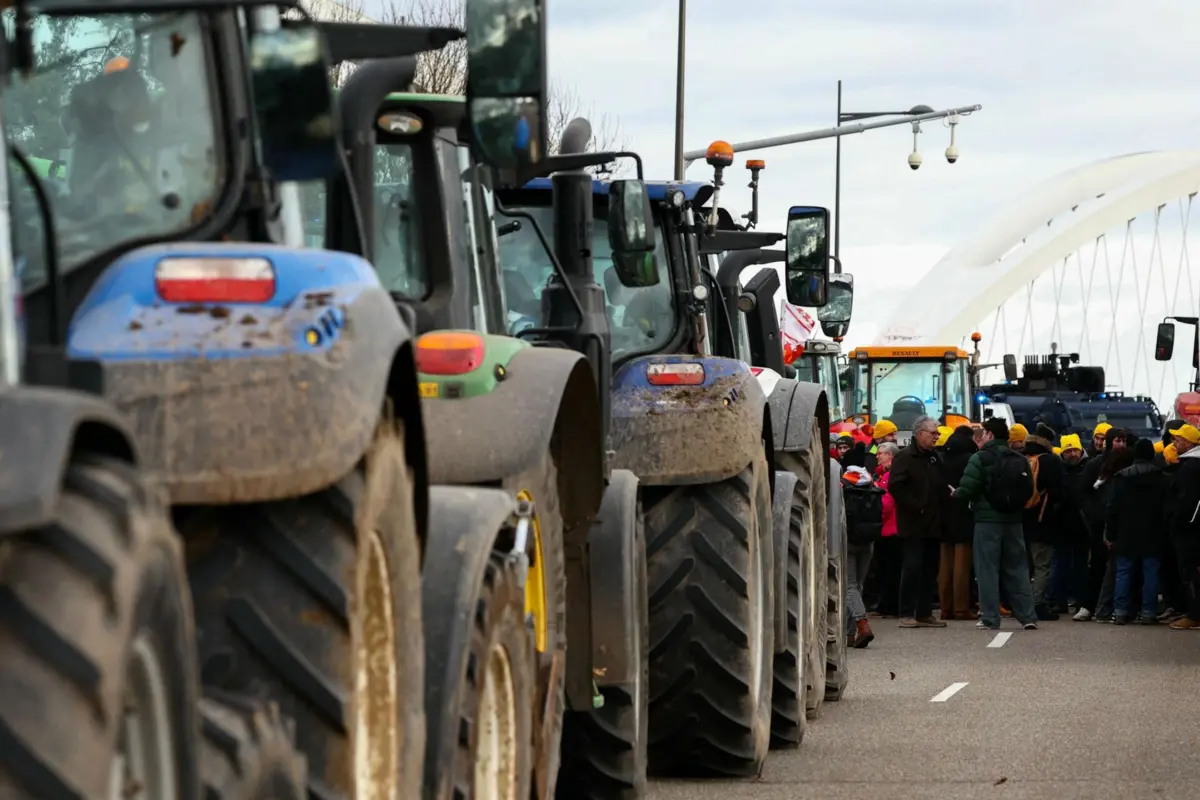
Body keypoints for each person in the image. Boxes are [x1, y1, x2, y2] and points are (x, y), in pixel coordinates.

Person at [952, 417, 1039, 631]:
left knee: (987, 570)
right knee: (1018, 568)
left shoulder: (980, 458)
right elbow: (1029, 488)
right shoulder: (1019, 459)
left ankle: (990, 617)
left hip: (987, 521)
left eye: (982, 433)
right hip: (1014, 520)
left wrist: (956, 494)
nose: (979, 438)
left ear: (990, 434)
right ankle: (1028, 616)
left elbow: (968, 488)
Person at [887, 415, 948, 628]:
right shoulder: (905, 457)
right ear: (920, 434)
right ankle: (906, 613)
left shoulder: (934, 457)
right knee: (912, 568)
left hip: (934, 523)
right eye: (933, 433)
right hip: (913, 523)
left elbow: (940, 482)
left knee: (930, 569)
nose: (936, 436)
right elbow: (895, 486)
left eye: (937, 433)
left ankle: (924, 612)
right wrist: (917, 505)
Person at [1105, 438, 1168, 624]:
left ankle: (1120, 611)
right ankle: (1149, 611)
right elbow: (1166, 508)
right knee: (1151, 572)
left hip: (1126, 532)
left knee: (1123, 571)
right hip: (1153, 532)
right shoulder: (1161, 478)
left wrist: (1110, 534)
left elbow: (1112, 508)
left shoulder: (1121, 478)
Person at [1023, 423, 1066, 620]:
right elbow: (1058, 493)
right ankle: (1037, 604)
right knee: (1042, 565)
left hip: (1019, 521)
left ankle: (1020, 602)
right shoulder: (1050, 461)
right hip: (1043, 520)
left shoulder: (1021, 457)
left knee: (1024, 566)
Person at [842, 465, 885, 647]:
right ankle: (849, 633)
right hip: (868, 541)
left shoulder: (844, 485)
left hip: (849, 540)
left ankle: (862, 624)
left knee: (849, 586)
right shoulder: (871, 485)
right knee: (858, 586)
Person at [938, 425, 977, 620]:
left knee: (944, 564)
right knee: (962, 563)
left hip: (943, 514)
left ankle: (945, 608)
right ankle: (961, 608)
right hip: (963, 514)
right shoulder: (970, 459)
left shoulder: (941, 458)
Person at [1054, 435, 1093, 619]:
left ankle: (1080, 600)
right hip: (1062, 524)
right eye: (1068, 451)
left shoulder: (1089, 467)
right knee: (1061, 564)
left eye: (1075, 450)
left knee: (1081, 566)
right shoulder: (1058, 469)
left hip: (1082, 526)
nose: (1072, 454)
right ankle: (1060, 600)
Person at [1168, 424, 1200, 630]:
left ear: (1187, 443)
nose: (1174, 443)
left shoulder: (1191, 467)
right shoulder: (1191, 464)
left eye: (1177, 440)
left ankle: (1195, 615)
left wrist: (1176, 521)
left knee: (1190, 572)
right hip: (1192, 527)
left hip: (1189, 529)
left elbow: (1186, 500)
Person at [870, 442, 902, 618]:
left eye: (881, 453)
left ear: (890, 455)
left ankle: (889, 606)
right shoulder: (886, 475)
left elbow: (886, 503)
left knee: (888, 570)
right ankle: (888, 605)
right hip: (892, 528)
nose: (877, 456)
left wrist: (874, 515)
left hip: (889, 529)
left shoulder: (889, 476)